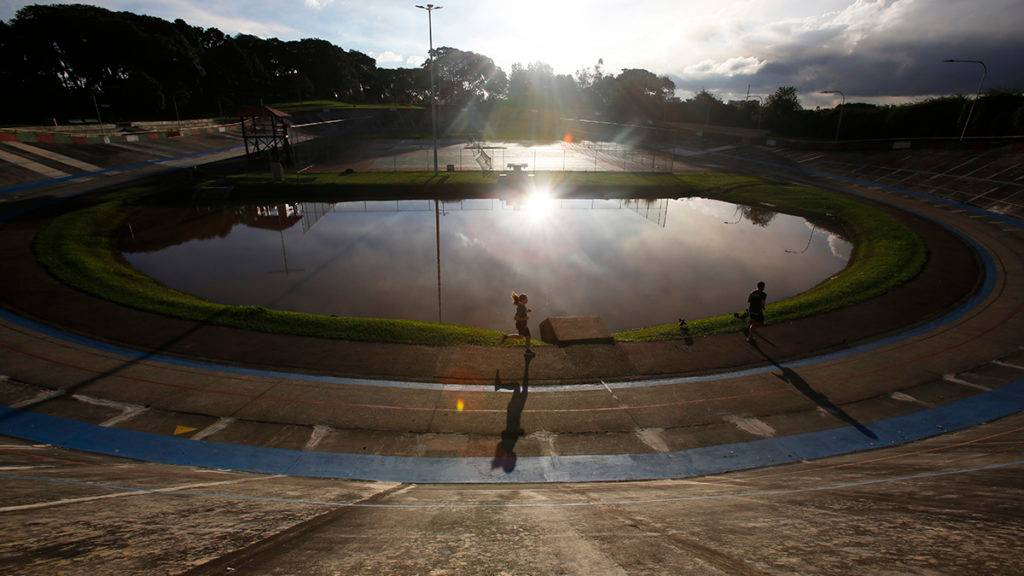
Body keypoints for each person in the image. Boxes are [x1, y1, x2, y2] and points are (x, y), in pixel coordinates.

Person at [500, 292, 535, 356]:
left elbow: (522, 313)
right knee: (523, 337)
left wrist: (527, 311)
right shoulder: (521, 306)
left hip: (522, 325)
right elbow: (516, 318)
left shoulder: (522, 306)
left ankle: (528, 350)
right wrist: (525, 319)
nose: (527, 300)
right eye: (526, 299)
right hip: (521, 325)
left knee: (526, 337)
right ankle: (506, 336)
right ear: (523, 299)